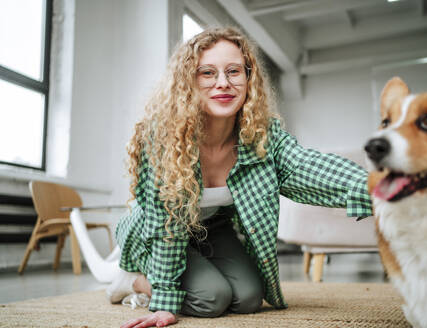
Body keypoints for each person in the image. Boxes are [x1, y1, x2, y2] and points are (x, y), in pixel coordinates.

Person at [107, 26, 373, 328]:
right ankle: (132, 281)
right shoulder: (163, 137)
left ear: (248, 79)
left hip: (214, 228)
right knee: (211, 299)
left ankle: (197, 273)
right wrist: (165, 299)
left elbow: (307, 166)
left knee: (248, 299)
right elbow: (165, 224)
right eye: (207, 73)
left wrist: (375, 188)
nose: (223, 83)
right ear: (188, 82)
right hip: (156, 231)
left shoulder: (262, 136)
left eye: (233, 71)